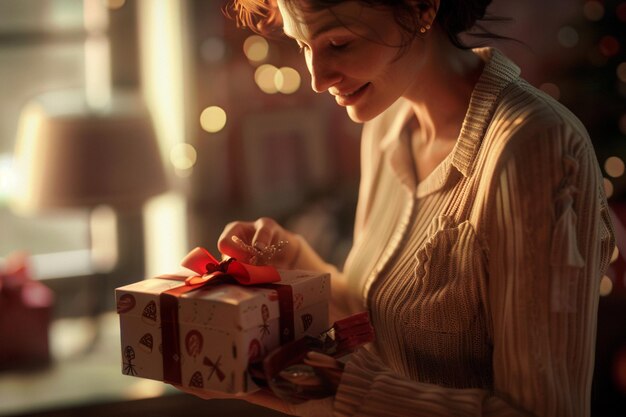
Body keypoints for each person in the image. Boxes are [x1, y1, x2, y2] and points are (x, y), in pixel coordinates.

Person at [180, 0, 616, 416]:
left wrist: (339, 390)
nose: (316, 77)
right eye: (302, 45)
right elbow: (383, 326)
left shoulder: (534, 147)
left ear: (421, 7)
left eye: (339, 43)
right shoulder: (389, 121)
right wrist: (295, 260)